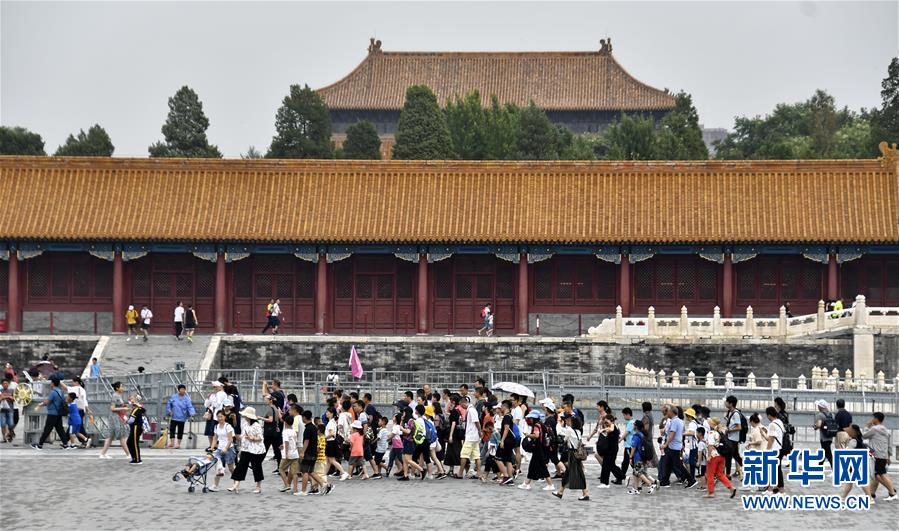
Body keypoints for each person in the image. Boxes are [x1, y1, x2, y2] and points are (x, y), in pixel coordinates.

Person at [229, 406, 266, 494]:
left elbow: (260, 438)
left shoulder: (256, 425)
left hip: (257, 450)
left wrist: (252, 438)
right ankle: (236, 484)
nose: (244, 417)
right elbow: (243, 437)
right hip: (246, 449)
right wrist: (241, 449)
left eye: (245, 415)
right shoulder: (244, 424)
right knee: (241, 466)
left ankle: (258, 486)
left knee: (256, 467)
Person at [553, 413, 589, 501]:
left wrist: (559, 424)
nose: (567, 422)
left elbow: (563, 438)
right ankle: (560, 492)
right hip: (576, 454)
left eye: (569, 421)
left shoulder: (569, 430)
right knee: (568, 473)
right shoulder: (578, 431)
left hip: (572, 454)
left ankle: (585, 493)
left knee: (579, 473)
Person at [862, 412, 897, 501]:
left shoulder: (874, 429)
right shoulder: (886, 430)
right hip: (883, 455)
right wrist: (888, 456)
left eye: (873, 418)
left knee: (880, 474)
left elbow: (864, 436)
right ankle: (872, 493)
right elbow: (889, 445)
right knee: (876, 475)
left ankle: (892, 492)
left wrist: (866, 427)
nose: (872, 420)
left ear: (876, 419)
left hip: (875, 455)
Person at [659, 404, 694, 488]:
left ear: (671, 412)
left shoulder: (674, 421)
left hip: (674, 446)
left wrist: (665, 444)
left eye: (668, 411)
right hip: (675, 445)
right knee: (668, 463)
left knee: (678, 464)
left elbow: (672, 434)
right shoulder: (680, 421)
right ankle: (665, 481)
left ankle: (691, 479)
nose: (667, 413)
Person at [518, 411, 554, 491]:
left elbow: (536, 435)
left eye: (531, 418)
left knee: (542, 467)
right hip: (540, 448)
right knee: (532, 466)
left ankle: (550, 484)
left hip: (538, 448)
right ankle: (526, 483)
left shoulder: (536, 425)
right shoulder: (541, 424)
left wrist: (528, 435)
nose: (529, 420)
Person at [299, 410, 331, 495]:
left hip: (308, 453)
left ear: (304, 417)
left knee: (305, 471)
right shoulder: (314, 427)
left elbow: (306, 441)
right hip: (314, 453)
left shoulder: (308, 428)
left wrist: (302, 452)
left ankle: (303, 491)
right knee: (311, 471)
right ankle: (324, 484)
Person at [32, 377, 69, 450]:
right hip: (59, 413)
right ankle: (65, 444)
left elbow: (47, 402)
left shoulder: (53, 392)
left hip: (52, 413)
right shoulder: (60, 391)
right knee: (60, 429)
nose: (50, 384)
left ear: (53, 383)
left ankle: (40, 445)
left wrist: (40, 404)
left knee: (47, 429)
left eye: (51, 382)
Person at [704, 418, 736, 498]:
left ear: (712, 424)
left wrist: (709, 456)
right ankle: (731, 487)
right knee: (720, 474)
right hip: (722, 455)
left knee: (710, 475)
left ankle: (711, 493)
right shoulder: (720, 432)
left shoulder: (711, 433)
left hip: (713, 456)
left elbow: (710, 445)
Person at [840, 425, 874, 501]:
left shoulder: (853, 441)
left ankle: (870, 498)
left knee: (859, 482)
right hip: (858, 463)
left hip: (854, 464)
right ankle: (843, 497)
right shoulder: (859, 440)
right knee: (850, 482)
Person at [99, 381, 130, 459]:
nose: (123, 388)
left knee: (111, 436)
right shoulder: (115, 396)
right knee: (122, 436)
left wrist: (124, 406)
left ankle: (103, 454)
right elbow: (112, 408)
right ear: (117, 388)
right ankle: (128, 454)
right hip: (115, 418)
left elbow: (118, 406)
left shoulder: (118, 395)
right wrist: (123, 408)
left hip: (117, 417)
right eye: (121, 386)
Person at [626, 419, 657, 495]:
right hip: (642, 457)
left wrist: (630, 457)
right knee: (635, 473)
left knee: (638, 473)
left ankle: (650, 484)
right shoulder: (642, 434)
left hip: (638, 457)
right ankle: (635, 489)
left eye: (634, 425)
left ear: (636, 426)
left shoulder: (636, 436)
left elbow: (633, 447)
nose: (633, 426)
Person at [210, 410, 236, 492]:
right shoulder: (216, 426)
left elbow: (230, 440)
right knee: (218, 466)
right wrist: (211, 448)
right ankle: (215, 485)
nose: (220, 418)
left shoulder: (228, 426)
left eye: (221, 416)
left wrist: (226, 448)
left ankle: (236, 484)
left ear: (224, 417)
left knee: (231, 468)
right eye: (218, 417)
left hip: (229, 449)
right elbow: (215, 438)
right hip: (219, 449)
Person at [459, 396, 484, 481]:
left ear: (464, 402)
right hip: (474, 436)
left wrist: (480, 431)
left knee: (464, 454)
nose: (462, 407)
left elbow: (476, 421)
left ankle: (460, 473)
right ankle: (479, 472)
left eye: (461, 405)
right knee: (476, 455)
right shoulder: (471, 410)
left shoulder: (471, 410)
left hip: (471, 436)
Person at [764, 406, 786, 494]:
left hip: (773, 450)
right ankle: (774, 488)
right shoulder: (779, 422)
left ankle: (778, 489)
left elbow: (771, 439)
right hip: (779, 448)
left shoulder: (772, 424)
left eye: (767, 415)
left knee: (773, 469)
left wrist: (767, 451)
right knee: (776, 469)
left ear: (769, 415)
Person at [166, 384, 196, 449]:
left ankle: (178, 444)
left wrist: (192, 414)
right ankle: (172, 443)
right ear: (178, 390)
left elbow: (190, 407)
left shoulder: (187, 399)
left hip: (182, 417)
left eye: (184, 389)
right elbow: (169, 404)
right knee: (172, 430)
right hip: (174, 417)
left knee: (180, 431)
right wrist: (169, 411)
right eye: (181, 389)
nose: (183, 391)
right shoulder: (174, 397)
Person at [278, 413, 300, 493]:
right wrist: (283, 445)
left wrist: (286, 453)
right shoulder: (293, 431)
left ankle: (287, 484)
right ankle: (295, 489)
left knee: (281, 469)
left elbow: (287, 442)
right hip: (295, 453)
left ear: (285, 422)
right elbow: (293, 442)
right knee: (294, 472)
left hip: (288, 453)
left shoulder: (285, 432)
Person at [723, 395, 744, 477]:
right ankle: (746, 468)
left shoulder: (736, 414)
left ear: (731, 404)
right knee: (736, 456)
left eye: (727, 402)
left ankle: (727, 475)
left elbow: (739, 427)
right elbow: (733, 424)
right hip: (731, 438)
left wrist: (728, 430)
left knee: (729, 457)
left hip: (733, 439)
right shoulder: (732, 413)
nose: (725, 403)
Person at [261, 394, 283, 471]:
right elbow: (279, 418)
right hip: (275, 432)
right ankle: (280, 467)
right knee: (277, 450)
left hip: (269, 433)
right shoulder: (276, 408)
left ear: (270, 401)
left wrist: (261, 418)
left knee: (264, 449)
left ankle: (256, 464)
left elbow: (270, 420)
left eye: (266, 399)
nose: (265, 400)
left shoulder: (270, 409)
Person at [203, 381, 227, 447]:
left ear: (221, 386)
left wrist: (213, 403)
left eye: (216, 387)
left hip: (217, 415)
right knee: (210, 432)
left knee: (216, 432)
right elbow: (206, 405)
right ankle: (211, 446)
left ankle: (215, 446)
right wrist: (208, 398)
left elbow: (217, 404)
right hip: (211, 415)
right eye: (214, 387)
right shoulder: (213, 395)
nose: (215, 388)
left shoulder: (221, 394)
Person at [68, 377, 91, 445]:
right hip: (79, 415)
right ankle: (85, 439)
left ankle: (73, 444)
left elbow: (67, 388)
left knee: (72, 431)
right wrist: (87, 409)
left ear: (77, 382)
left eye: (73, 382)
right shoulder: (75, 405)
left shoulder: (71, 405)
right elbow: (84, 401)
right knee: (77, 431)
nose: (72, 383)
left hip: (74, 418)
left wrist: (60, 382)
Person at [813, 399, 836, 469]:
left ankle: (834, 467)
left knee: (828, 453)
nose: (817, 407)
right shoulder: (832, 414)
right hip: (830, 436)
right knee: (825, 451)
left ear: (821, 407)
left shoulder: (820, 415)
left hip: (824, 437)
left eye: (818, 406)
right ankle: (820, 465)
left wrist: (815, 426)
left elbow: (819, 425)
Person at [126, 395, 146, 465]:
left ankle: (137, 459)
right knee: (129, 442)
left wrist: (126, 421)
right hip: (135, 428)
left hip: (136, 428)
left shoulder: (136, 409)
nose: (130, 400)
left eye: (131, 399)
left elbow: (131, 420)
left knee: (134, 443)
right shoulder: (137, 409)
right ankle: (134, 457)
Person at [0, 378, 14, 443]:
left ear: (8, 384)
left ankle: (10, 435)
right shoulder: (0, 391)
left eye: (6, 383)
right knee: (3, 424)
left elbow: (15, 399)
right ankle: (4, 438)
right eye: (4, 383)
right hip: (2, 410)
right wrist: (8, 397)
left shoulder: (12, 390)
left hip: (10, 410)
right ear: (2, 384)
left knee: (11, 424)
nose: (5, 385)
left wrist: (5, 397)